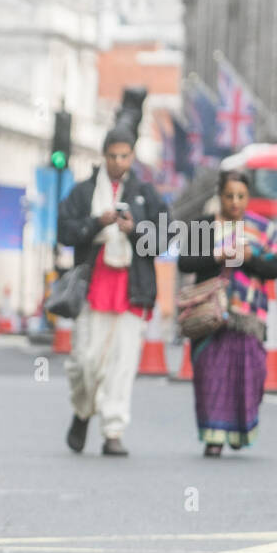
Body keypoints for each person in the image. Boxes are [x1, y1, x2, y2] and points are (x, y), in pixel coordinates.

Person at [58, 126, 166, 456]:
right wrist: (97, 223)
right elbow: (64, 231)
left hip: (132, 290)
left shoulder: (147, 193)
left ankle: (113, 430)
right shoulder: (84, 191)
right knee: (85, 362)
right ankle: (82, 410)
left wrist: (135, 230)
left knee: (122, 364)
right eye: (112, 155)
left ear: (132, 157)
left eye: (124, 155)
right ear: (103, 156)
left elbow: (162, 240)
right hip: (93, 287)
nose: (118, 161)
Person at [178, 169, 277, 456]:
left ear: (248, 197)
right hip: (209, 316)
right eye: (229, 196)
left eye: (241, 196)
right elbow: (185, 263)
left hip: (247, 318)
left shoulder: (261, 230)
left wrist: (251, 257)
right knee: (210, 376)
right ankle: (213, 436)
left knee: (249, 375)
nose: (235, 202)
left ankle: (238, 432)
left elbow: (274, 269)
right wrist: (217, 256)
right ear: (219, 196)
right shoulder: (203, 227)